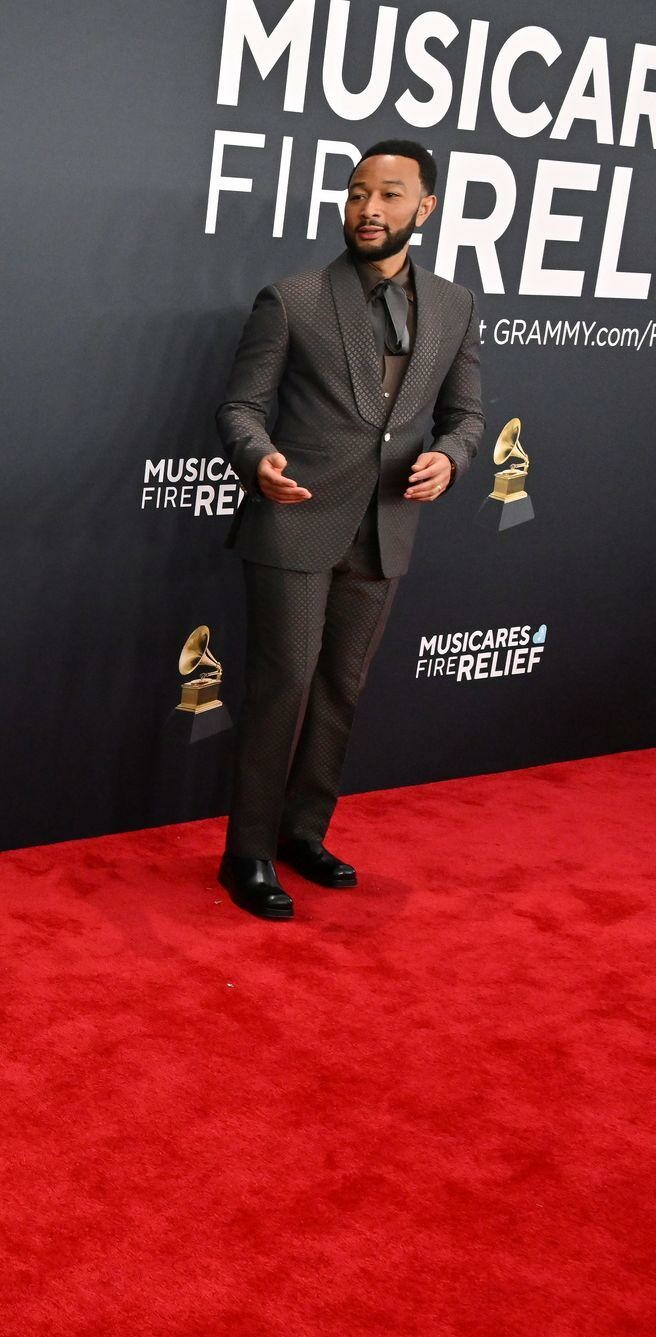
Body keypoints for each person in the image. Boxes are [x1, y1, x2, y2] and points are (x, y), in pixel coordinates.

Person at [215, 139, 485, 920]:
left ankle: (304, 833)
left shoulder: (455, 307)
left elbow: (467, 417)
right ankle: (248, 853)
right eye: (358, 192)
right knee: (286, 687)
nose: (369, 209)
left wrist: (452, 458)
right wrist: (258, 457)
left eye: (390, 195)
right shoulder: (292, 299)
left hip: (385, 528)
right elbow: (241, 407)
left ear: (425, 208)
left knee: (342, 689)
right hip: (295, 522)